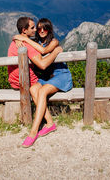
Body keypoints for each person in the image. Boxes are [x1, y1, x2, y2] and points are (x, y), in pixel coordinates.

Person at [13, 18, 73, 148]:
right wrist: (18, 39)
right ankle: (50, 123)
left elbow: (44, 51)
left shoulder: (54, 41)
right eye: (38, 28)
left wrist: (24, 39)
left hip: (61, 76)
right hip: (48, 78)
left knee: (42, 91)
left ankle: (33, 132)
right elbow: (29, 43)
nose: (41, 31)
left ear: (49, 29)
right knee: (33, 89)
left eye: (44, 28)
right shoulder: (36, 42)